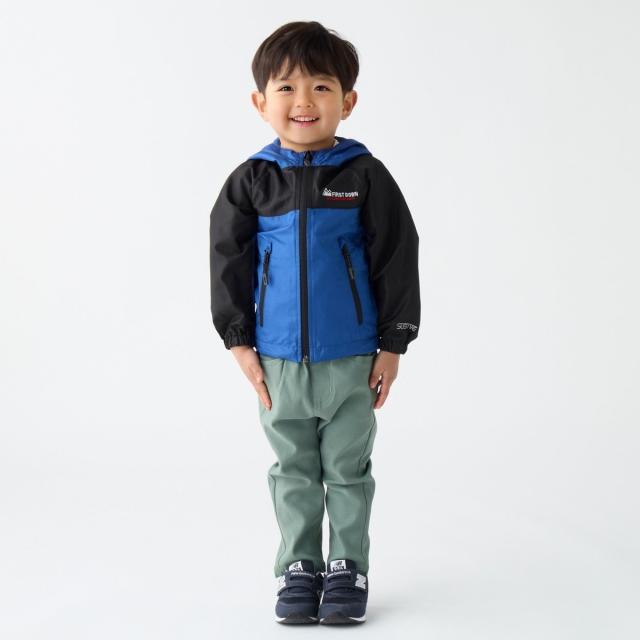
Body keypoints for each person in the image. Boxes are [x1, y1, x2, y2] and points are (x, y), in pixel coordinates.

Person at [209, 20, 420, 625]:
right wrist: (239, 341)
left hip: (352, 359)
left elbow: (396, 256)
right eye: (287, 88)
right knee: (293, 471)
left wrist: (393, 343)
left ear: (347, 101)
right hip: (276, 363)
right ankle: (299, 566)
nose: (304, 101)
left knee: (347, 470)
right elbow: (227, 261)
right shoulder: (252, 181)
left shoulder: (364, 176)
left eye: (321, 87)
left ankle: (348, 567)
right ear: (260, 102)